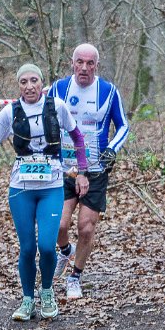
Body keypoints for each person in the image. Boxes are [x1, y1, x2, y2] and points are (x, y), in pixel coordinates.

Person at [0, 62, 89, 321]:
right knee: (28, 248)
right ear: (18, 85)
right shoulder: (10, 112)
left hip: (51, 186)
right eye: (23, 82)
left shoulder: (57, 106)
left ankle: (47, 292)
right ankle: (27, 299)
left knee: (47, 247)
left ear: (42, 83)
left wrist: (82, 171)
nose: (29, 86)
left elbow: (78, 137)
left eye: (34, 81)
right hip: (21, 189)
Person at [48, 43, 129, 299]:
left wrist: (112, 149)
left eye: (90, 63)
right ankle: (65, 251)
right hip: (65, 169)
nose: (84, 68)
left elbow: (123, 126)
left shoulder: (108, 91)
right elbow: (45, 119)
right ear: (72, 63)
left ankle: (75, 277)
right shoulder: (58, 88)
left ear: (96, 65)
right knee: (59, 224)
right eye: (80, 62)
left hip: (95, 169)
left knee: (85, 228)